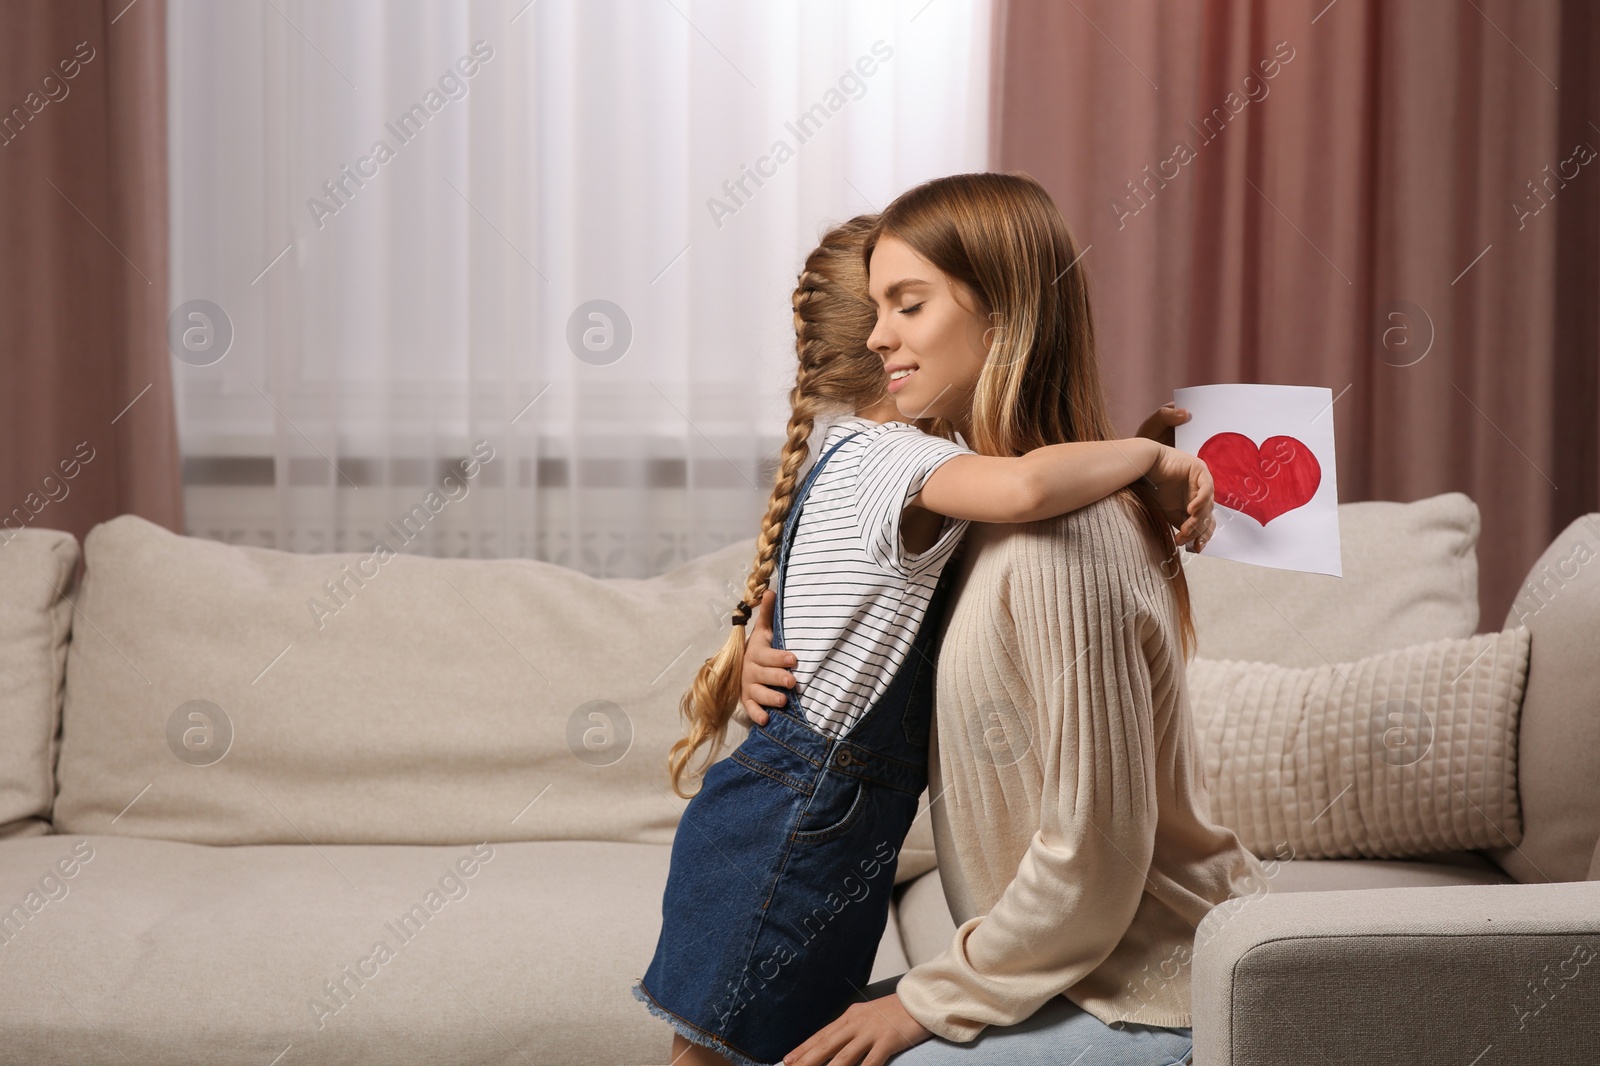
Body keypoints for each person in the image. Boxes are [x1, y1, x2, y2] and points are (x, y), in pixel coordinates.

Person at [631, 208, 1215, 1066]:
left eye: (908, 305)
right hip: (801, 818)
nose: (883, 335)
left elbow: (1029, 494)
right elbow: (1023, 488)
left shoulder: (917, 479)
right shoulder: (906, 469)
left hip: (1102, 969)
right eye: (879, 309)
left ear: (998, 314)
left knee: (728, 1053)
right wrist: (1140, 456)